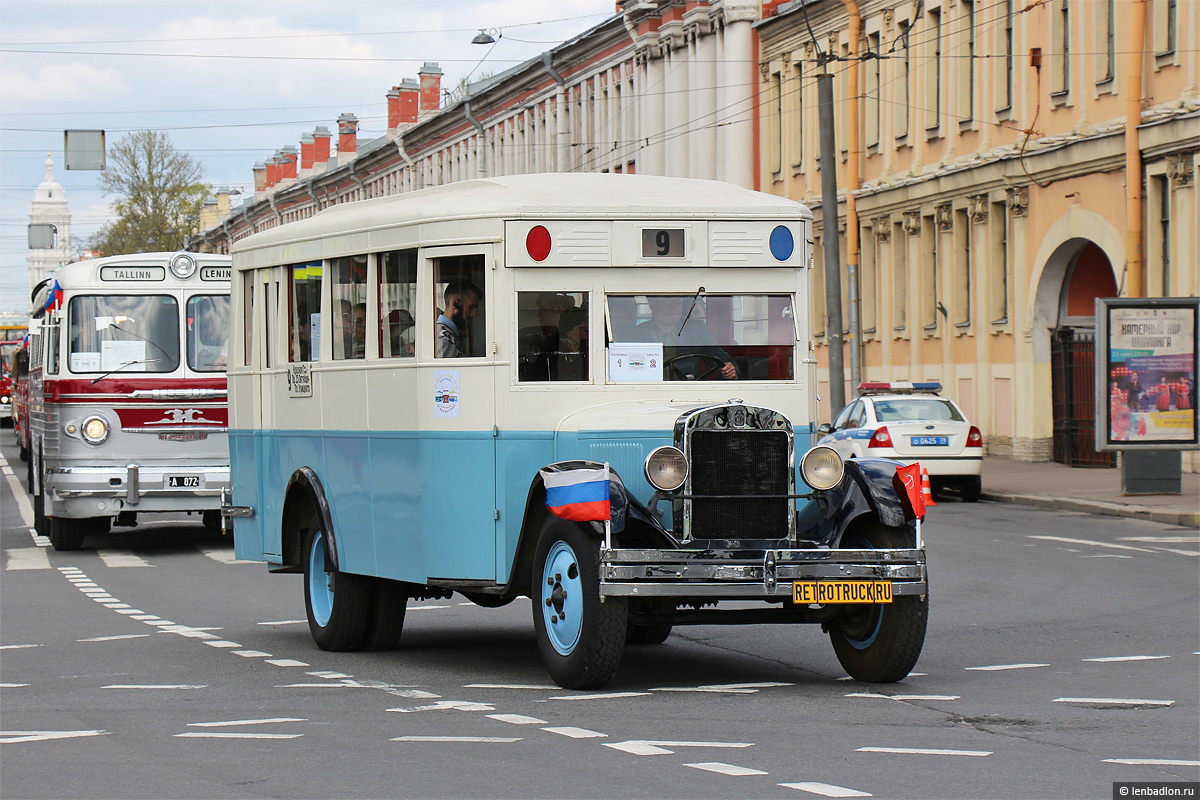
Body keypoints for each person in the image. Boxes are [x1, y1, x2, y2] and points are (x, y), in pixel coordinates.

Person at [634, 295, 738, 380]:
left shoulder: (696, 330)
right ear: (652, 304)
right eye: (667, 301)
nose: (674, 307)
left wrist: (729, 370)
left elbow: (723, 361)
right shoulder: (636, 334)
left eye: (678, 300)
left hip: (689, 395)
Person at [436, 280, 481, 358]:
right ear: (455, 304)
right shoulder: (444, 340)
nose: (474, 314)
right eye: (470, 307)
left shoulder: (448, 334)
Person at [555, 307, 588, 381]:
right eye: (582, 327)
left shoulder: (581, 348)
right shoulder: (562, 351)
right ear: (569, 330)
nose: (586, 331)